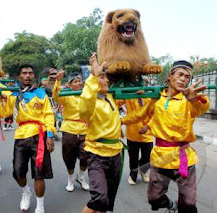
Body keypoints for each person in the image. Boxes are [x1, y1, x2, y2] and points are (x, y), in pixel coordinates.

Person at [122, 60, 209, 213]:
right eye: (180, 75)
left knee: (188, 205)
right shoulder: (157, 99)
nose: (183, 79)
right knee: (154, 199)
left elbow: (201, 107)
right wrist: (119, 121)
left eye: (187, 77)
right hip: (161, 158)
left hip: (184, 159)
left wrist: (192, 99)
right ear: (169, 77)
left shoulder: (189, 98)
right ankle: (171, 206)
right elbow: (140, 114)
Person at [0, 64, 55, 213]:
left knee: (39, 172)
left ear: (34, 76)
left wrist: (50, 135)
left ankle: (40, 204)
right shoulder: (13, 94)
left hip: (39, 134)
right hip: (20, 135)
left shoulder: (41, 93)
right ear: (19, 77)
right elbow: (5, 112)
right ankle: (26, 192)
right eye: (24, 73)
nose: (28, 76)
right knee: (18, 171)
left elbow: (48, 114)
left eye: (30, 73)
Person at [80, 53, 123, 213]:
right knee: (99, 198)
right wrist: (93, 76)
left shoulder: (110, 98)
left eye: (107, 78)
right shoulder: (91, 101)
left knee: (106, 203)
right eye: (102, 77)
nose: (106, 81)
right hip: (97, 155)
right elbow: (84, 108)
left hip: (115, 155)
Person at [52, 70, 89, 192]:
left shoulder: (86, 96)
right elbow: (56, 96)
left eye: (80, 81)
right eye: (76, 82)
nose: (79, 83)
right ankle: (70, 179)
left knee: (86, 156)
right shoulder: (67, 96)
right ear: (69, 84)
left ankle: (81, 177)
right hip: (69, 130)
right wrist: (58, 81)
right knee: (69, 157)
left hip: (85, 130)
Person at [118, 98, 153, 185]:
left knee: (148, 156)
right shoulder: (129, 95)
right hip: (132, 132)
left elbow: (156, 113)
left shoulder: (150, 96)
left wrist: (148, 126)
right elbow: (115, 102)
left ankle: (143, 170)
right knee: (133, 157)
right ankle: (133, 174)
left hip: (147, 133)